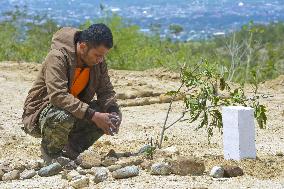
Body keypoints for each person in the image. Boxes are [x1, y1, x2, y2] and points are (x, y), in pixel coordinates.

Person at [21, 24, 122, 162]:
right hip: (41, 114)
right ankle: (51, 154)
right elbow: (58, 96)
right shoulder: (57, 57)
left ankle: (71, 150)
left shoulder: (98, 62)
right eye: (97, 55)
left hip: (75, 111)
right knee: (64, 115)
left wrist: (113, 111)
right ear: (82, 47)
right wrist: (93, 115)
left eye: (103, 56)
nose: (100, 60)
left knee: (107, 114)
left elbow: (106, 91)